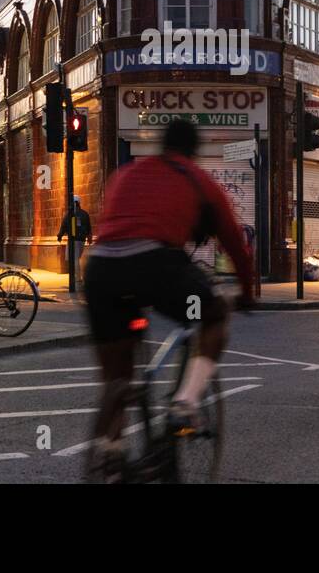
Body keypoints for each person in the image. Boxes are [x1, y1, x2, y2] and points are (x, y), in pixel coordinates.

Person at [84, 118, 255, 479]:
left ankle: (110, 454)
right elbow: (235, 242)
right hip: (155, 263)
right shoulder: (196, 178)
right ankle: (185, 403)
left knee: (116, 377)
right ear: (192, 151)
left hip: (100, 270)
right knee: (213, 314)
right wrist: (246, 292)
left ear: (162, 145)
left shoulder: (127, 173)